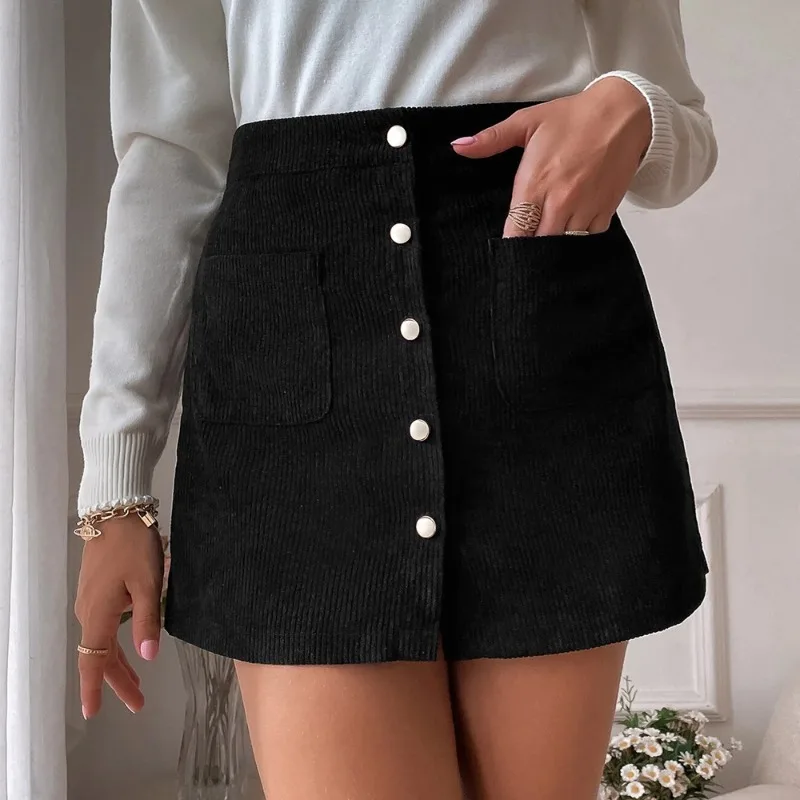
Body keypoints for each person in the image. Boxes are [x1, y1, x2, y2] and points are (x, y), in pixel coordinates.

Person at [73, 0, 718, 797]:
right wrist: (114, 485)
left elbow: (683, 127)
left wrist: (635, 109)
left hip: (533, 322)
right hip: (292, 358)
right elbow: (172, 159)